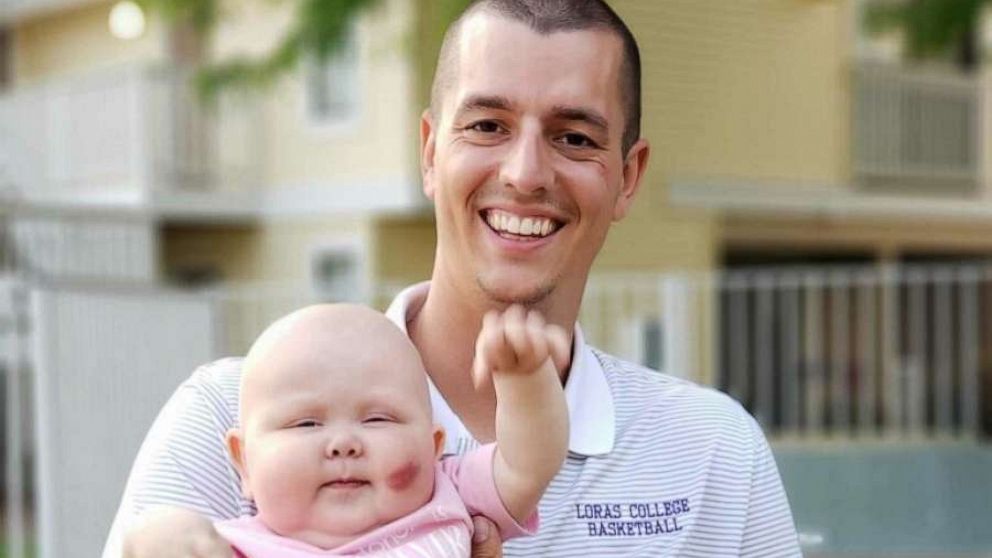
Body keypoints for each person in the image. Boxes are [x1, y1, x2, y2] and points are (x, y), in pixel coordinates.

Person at [106, 0, 802, 556]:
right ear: (431, 152)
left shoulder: (714, 453)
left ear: (629, 177)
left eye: (576, 137)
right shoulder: (232, 416)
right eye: (488, 125)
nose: (526, 173)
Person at [212, 303, 568, 556]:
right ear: (244, 461)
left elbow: (527, 465)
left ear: (433, 447)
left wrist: (525, 382)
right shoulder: (223, 548)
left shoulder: (447, 493)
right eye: (306, 423)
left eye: (377, 419)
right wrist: (164, 533)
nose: (344, 443)